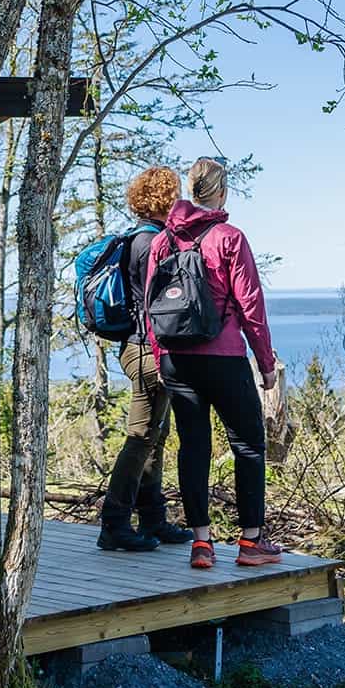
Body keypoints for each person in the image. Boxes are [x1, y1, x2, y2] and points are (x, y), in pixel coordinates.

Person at [146, 157, 283, 569]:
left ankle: (201, 544)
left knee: (193, 447)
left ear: (190, 190)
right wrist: (266, 361)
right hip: (222, 357)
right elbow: (250, 306)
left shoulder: (162, 242)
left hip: (175, 360)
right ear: (222, 193)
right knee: (248, 444)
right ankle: (251, 542)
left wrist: (160, 355)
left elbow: (150, 307)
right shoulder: (229, 237)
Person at [97, 167, 196, 552]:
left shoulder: (139, 238)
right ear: (163, 200)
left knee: (155, 435)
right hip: (146, 349)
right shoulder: (151, 243)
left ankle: (153, 519)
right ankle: (114, 523)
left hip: (138, 347)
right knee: (140, 437)